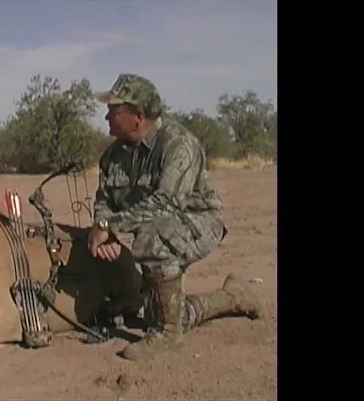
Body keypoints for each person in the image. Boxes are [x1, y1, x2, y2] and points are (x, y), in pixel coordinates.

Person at [88, 74, 262, 361]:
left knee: (152, 240)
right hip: (157, 228)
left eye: (115, 110)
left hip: (198, 221)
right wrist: (104, 228)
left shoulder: (178, 143)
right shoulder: (111, 157)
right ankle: (232, 297)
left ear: (139, 116)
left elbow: (166, 203)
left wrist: (109, 226)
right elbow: (104, 202)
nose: (107, 114)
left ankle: (168, 336)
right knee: (168, 309)